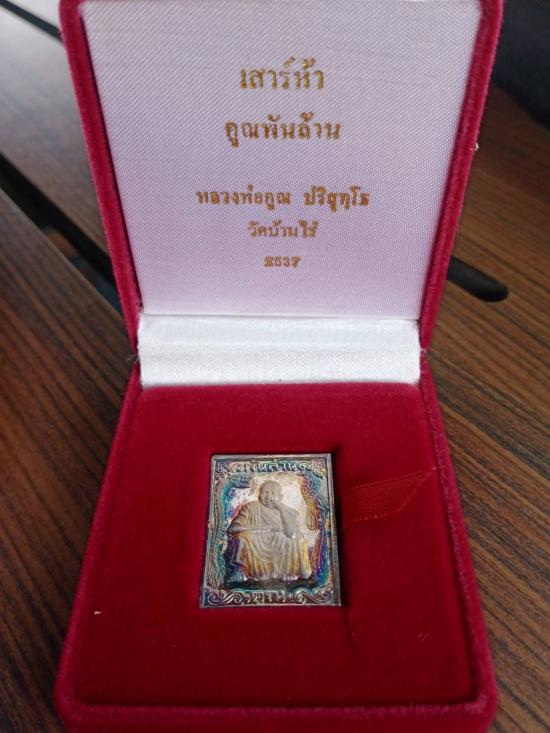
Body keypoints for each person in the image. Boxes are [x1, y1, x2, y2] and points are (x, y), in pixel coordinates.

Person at [225, 480, 312, 584]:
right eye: (265, 492)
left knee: (296, 538)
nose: (268, 496)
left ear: (280, 497)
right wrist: (263, 528)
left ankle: (289, 572)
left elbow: (291, 533)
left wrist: (281, 508)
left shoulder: (291, 512)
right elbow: (233, 528)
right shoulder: (251, 508)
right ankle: (240, 571)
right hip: (256, 541)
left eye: (273, 493)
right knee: (242, 537)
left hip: (279, 542)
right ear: (259, 495)